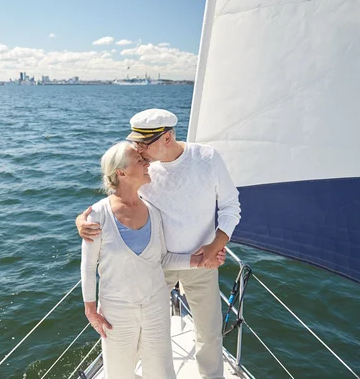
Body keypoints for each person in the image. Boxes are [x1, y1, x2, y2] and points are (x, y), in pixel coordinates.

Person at [77, 108, 241, 379]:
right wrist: (81, 222)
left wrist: (215, 246)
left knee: (209, 333)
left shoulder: (206, 158)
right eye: (136, 142)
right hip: (155, 266)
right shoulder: (143, 167)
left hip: (201, 260)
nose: (137, 149)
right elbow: (115, 195)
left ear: (166, 138)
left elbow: (230, 206)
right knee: (146, 335)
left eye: (143, 142)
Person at [81, 141, 204, 379]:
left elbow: (162, 259)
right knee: (119, 373)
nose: (147, 164)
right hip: (116, 312)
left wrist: (198, 261)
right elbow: (87, 268)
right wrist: (90, 311)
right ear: (121, 172)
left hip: (156, 305)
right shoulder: (97, 215)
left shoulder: (153, 212)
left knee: (161, 372)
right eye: (140, 161)